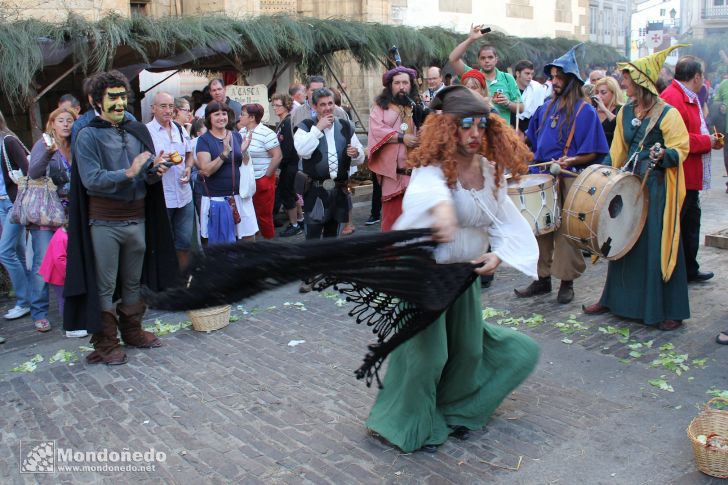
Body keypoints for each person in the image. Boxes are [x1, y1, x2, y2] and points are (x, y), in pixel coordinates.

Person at [366, 85, 539, 454]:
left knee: (471, 354)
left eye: (480, 125)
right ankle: (401, 423)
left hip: (463, 280)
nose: (474, 134)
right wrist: (441, 213)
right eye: (465, 125)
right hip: (426, 278)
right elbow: (427, 196)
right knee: (428, 358)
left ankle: (455, 410)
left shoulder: (491, 172)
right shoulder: (433, 170)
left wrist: (498, 255)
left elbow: (503, 222)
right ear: (447, 128)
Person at [66, 70, 178, 365]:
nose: (119, 103)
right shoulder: (87, 134)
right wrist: (128, 172)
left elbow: (146, 177)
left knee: (132, 281)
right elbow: (90, 180)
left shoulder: (135, 129)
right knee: (103, 284)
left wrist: (155, 171)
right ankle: (106, 342)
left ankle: (132, 331)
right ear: (97, 101)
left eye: (122, 96)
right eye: (112, 97)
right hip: (104, 222)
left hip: (137, 218)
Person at [582, 45, 691, 331]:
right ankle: (614, 299)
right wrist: (601, 175)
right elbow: (617, 149)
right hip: (628, 184)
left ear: (641, 81)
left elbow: (681, 149)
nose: (623, 83)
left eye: (627, 78)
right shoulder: (626, 111)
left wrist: (663, 155)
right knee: (620, 238)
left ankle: (667, 308)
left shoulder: (668, 114)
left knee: (655, 243)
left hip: (655, 187)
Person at [513, 44, 609, 304]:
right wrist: (520, 149)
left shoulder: (585, 111)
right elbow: (531, 142)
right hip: (543, 177)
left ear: (571, 80)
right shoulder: (544, 110)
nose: (553, 82)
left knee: (566, 232)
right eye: (552, 77)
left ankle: (567, 283)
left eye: (558, 77)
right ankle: (541, 279)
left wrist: (573, 158)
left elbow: (596, 150)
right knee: (540, 229)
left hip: (569, 177)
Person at [293, 87, 364, 290]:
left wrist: (356, 153)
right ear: (314, 107)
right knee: (313, 234)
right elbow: (303, 152)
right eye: (322, 105)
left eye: (330, 104)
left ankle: (329, 272)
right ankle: (308, 276)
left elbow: (359, 157)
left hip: (338, 189)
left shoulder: (345, 126)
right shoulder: (305, 126)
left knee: (333, 234)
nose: (327, 108)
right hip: (316, 190)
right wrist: (318, 128)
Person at [660, 55, 720, 283]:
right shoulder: (672, 97)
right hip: (680, 174)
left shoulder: (686, 96)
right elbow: (679, 140)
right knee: (680, 224)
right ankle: (676, 271)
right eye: (702, 75)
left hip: (690, 174)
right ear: (696, 77)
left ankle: (689, 269)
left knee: (690, 223)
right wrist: (708, 142)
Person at [26, 107, 78, 334]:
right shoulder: (44, 143)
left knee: (68, 261)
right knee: (42, 263)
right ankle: (39, 312)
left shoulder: (75, 145)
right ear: (52, 123)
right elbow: (33, 173)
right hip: (46, 213)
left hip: (70, 213)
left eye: (69, 121)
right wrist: (48, 153)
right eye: (61, 120)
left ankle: (70, 307)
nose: (66, 124)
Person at [368, 65, 422, 231]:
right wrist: (402, 137)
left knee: (415, 222)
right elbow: (376, 129)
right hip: (393, 176)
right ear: (390, 86)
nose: (401, 86)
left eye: (405, 83)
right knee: (391, 222)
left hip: (416, 175)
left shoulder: (417, 107)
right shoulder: (380, 108)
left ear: (411, 85)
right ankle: (390, 256)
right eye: (397, 83)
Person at [196, 101, 257, 243]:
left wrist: (244, 150)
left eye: (224, 114)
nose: (221, 117)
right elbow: (206, 171)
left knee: (249, 238)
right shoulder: (204, 140)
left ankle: (247, 266)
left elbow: (242, 163)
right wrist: (224, 153)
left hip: (240, 196)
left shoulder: (236, 136)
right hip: (217, 200)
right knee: (223, 245)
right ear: (208, 118)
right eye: (216, 114)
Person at [146, 92, 195, 270]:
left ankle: (183, 282)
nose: (168, 110)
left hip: (184, 195)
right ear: (153, 108)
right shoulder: (147, 132)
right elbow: (143, 165)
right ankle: (164, 283)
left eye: (170, 106)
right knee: (162, 244)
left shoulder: (179, 128)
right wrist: (155, 163)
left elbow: (189, 154)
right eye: (163, 106)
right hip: (163, 197)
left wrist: (189, 168)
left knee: (184, 243)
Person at [448, 24, 523, 123]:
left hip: (501, 133)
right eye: (483, 58)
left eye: (490, 57)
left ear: (496, 60)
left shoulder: (507, 78)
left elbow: (521, 108)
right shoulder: (473, 75)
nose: (487, 61)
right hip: (479, 130)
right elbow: (453, 59)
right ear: (478, 60)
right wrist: (471, 39)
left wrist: (507, 103)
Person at [0, 110, 31, 328]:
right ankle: (32, 297)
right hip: (1, 203)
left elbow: (29, 169)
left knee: (5, 251)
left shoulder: (8, 141)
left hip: (14, 202)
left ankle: (23, 300)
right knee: (18, 252)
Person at [238, 103, 282, 240]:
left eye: (243, 114)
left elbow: (278, 155)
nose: (240, 117)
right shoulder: (241, 132)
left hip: (261, 180)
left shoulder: (266, 133)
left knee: (264, 216)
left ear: (251, 117)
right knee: (249, 215)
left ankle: (268, 245)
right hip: (246, 181)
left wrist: (266, 175)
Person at [272, 93, 304, 237]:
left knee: (288, 195)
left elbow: (288, 149)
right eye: (274, 105)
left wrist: (278, 167)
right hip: (287, 164)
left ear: (286, 106)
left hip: (289, 165)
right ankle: (301, 219)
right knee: (292, 193)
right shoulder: (282, 122)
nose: (275, 108)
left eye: (278, 105)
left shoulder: (287, 122)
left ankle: (294, 224)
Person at [512, 60, 548, 135]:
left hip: (530, 135)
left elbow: (538, 114)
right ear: (518, 74)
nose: (530, 77)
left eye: (531, 74)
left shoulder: (537, 89)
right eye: (527, 73)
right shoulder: (510, 91)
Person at [592, 76, 624, 146]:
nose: (599, 96)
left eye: (603, 92)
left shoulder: (621, 109)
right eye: (597, 92)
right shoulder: (593, 109)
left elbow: (619, 126)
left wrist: (604, 109)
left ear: (613, 93)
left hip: (611, 152)